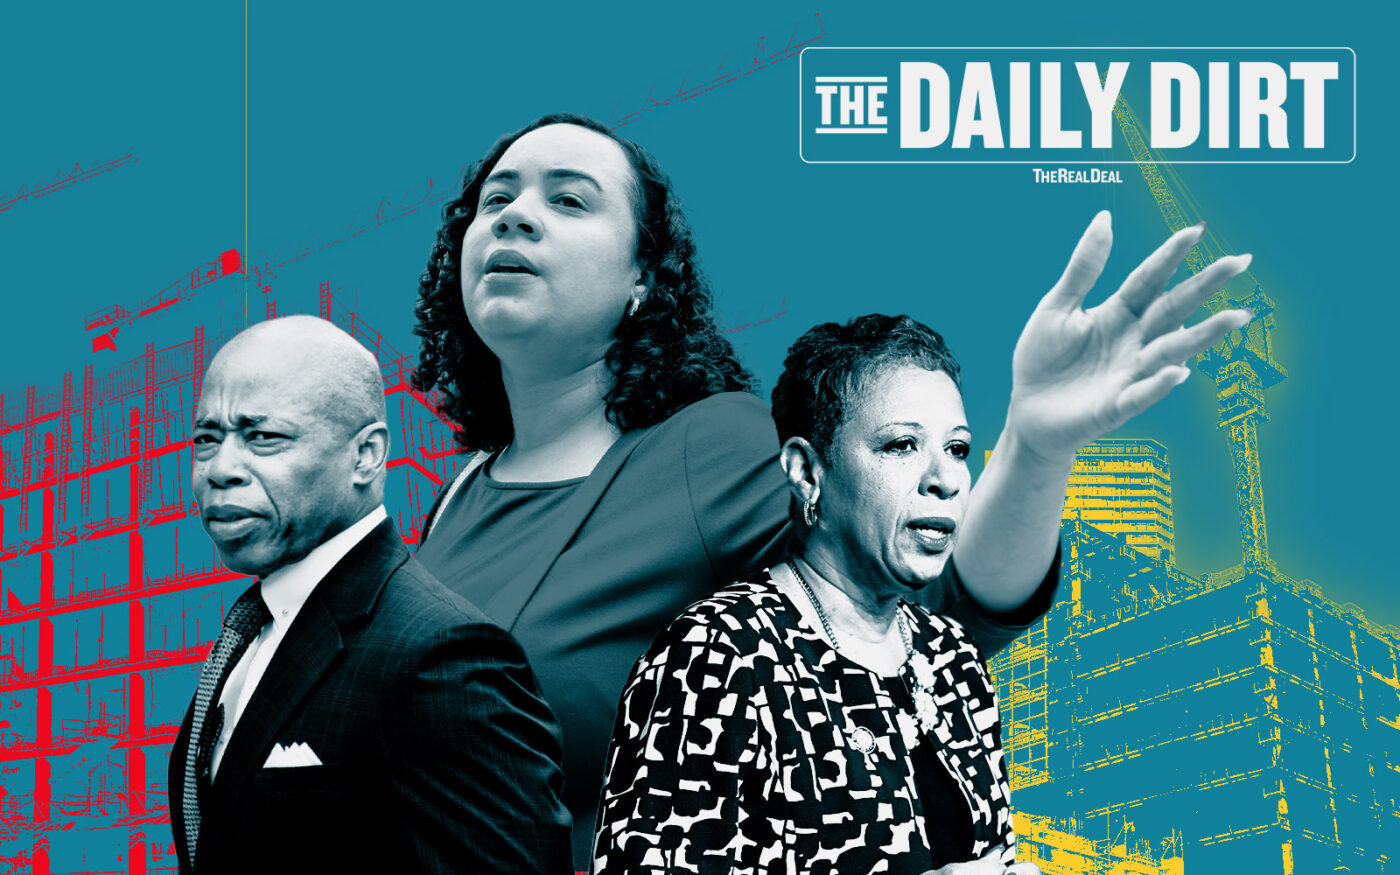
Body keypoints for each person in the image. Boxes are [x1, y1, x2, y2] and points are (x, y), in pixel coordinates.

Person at [408, 111, 1208, 865]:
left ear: (642, 280)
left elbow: (926, 602)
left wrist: (1037, 444)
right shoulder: (459, 497)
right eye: (496, 201)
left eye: (570, 200)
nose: (514, 217)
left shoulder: (703, 450)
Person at [592, 222, 1253, 873]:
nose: (944, 478)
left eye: (959, 449)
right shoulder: (716, 652)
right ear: (806, 471)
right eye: (901, 444)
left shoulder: (953, 657)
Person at [169, 316, 572, 875]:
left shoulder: (443, 657)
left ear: (366, 455)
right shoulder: (254, 632)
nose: (220, 469)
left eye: (263, 437)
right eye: (206, 439)